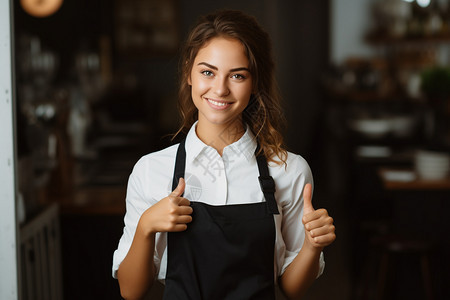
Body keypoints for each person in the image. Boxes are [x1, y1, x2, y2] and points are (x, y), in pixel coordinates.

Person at [112, 9, 336, 300]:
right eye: (208, 72)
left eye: (237, 76)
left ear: (255, 82)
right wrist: (146, 227)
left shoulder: (289, 170)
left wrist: (312, 246)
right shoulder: (152, 170)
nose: (220, 89)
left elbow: (292, 288)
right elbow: (131, 291)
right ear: (188, 74)